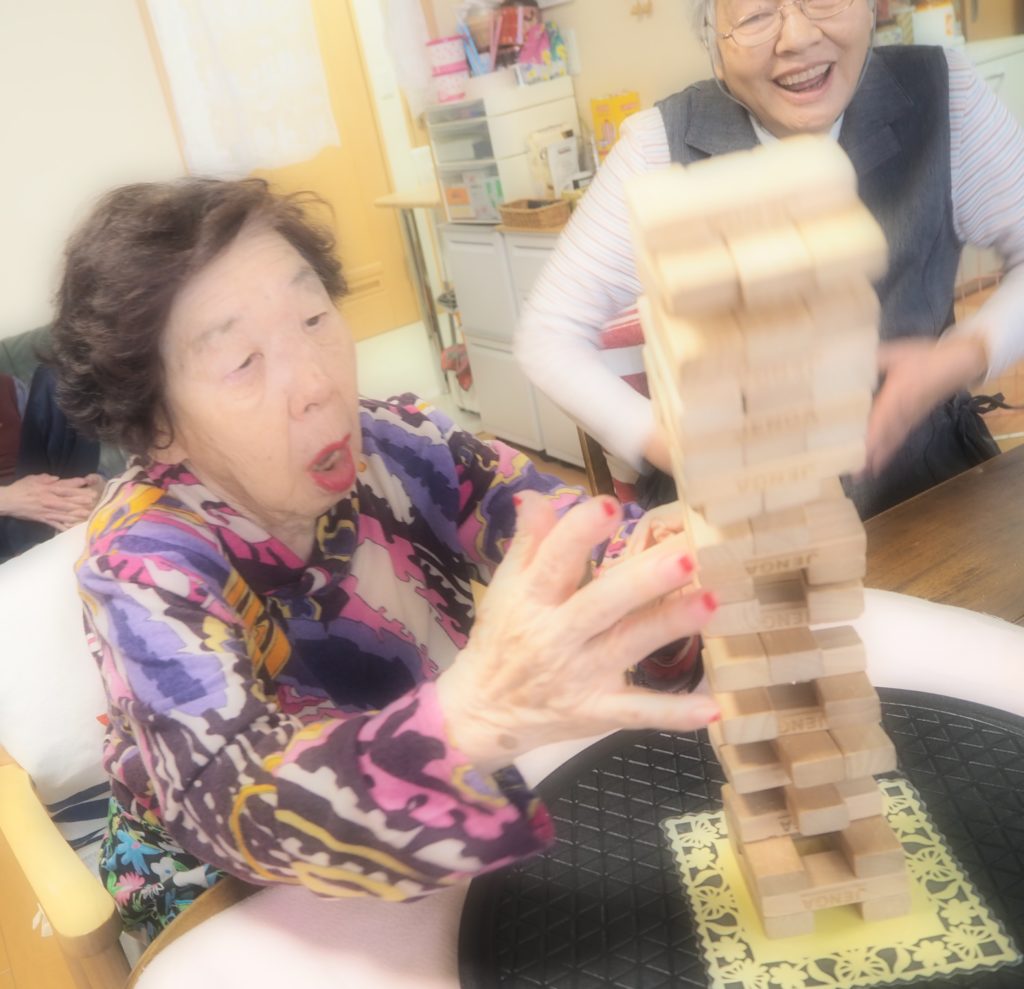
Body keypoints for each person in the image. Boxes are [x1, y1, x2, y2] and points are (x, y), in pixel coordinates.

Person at [48, 177, 721, 938]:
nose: (318, 383)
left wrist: (655, 574)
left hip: (448, 821)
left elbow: (567, 536)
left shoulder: (400, 443)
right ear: (155, 425)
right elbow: (230, 796)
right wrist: (472, 714)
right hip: (233, 897)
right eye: (242, 362)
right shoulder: (143, 558)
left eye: (314, 318)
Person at [517, 0, 1024, 519]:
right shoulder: (655, 150)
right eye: (756, 14)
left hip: (929, 490)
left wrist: (963, 355)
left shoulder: (943, 95)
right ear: (713, 43)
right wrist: (672, 446)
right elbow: (547, 335)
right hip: (747, 522)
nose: (798, 37)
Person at [0, 364, 102, 563]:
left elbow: (59, 443)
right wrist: (8, 499)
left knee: (55, 376)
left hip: (45, 499)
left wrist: (95, 486)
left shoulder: (10, 388)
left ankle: (73, 513)